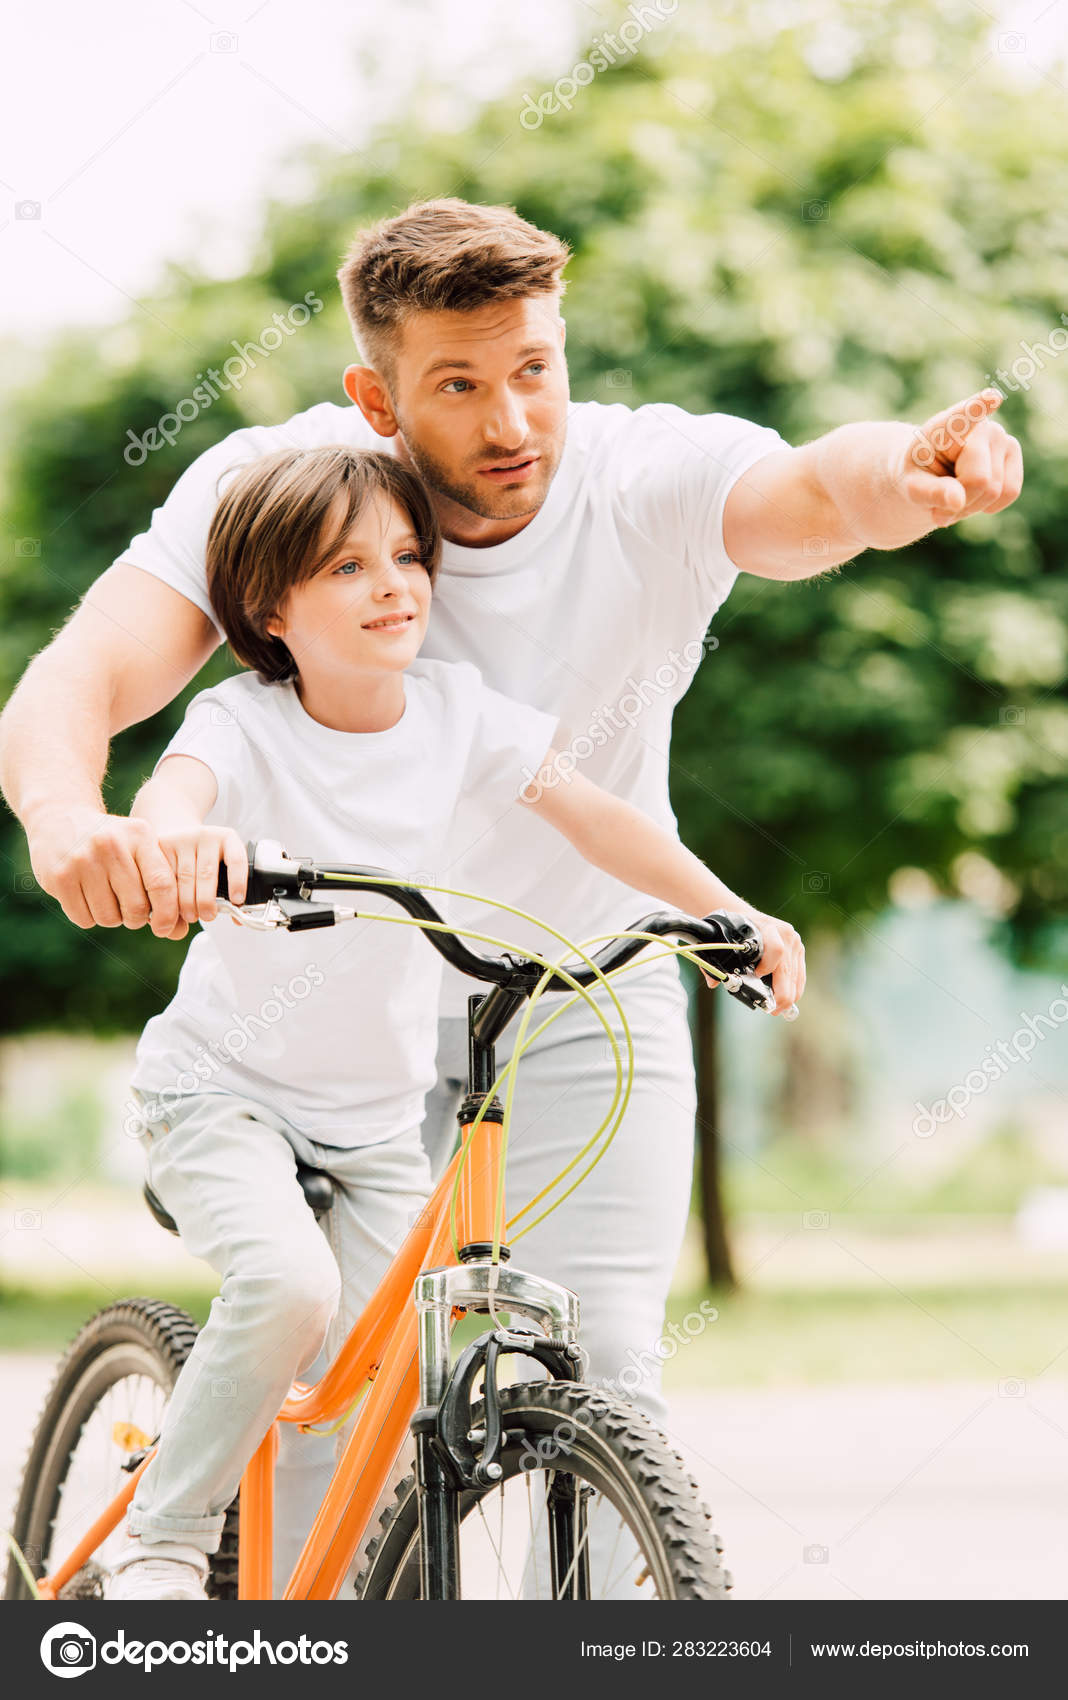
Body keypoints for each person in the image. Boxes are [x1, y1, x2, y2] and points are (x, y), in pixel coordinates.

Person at [0, 198, 1021, 1591]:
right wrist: (70, 818)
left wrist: (904, 479)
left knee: (601, 1375)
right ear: (376, 397)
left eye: (534, 368)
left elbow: (809, 492)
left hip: (575, 984)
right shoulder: (292, 488)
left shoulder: (641, 472)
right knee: (326, 1405)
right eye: (459, 386)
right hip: (330, 1010)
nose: (511, 423)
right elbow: (88, 676)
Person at [103, 440, 801, 1599]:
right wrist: (179, 845)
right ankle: (164, 1539)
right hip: (222, 1095)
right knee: (290, 1288)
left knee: (405, 1382)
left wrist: (728, 912)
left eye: (407, 556)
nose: (396, 584)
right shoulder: (243, 723)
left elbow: (596, 813)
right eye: (347, 568)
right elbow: (172, 797)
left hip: (371, 1125)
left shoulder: (457, 710)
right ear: (272, 606)